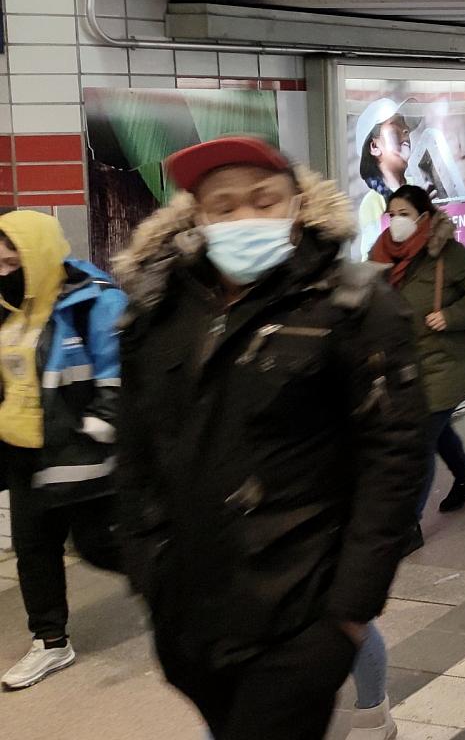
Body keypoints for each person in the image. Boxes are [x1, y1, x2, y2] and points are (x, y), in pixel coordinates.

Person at [113, 136, 429, 740]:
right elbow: (136, 452)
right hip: (190, 615)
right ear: (198, 217)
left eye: (264, 201)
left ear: (297, 206)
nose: (244, 218)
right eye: (223, 206)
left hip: (301, 614)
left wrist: (349, 612)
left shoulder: (352, 305)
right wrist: (148, 572)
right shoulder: (160, 312)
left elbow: (393, 458)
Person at [0, 212, 125, 691]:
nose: (3, 266)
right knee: (34, 549)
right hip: (23, 449)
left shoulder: (94, 300)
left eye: (12, 256)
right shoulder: (8, 307)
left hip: (81, 448)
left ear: (38, 251)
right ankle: (51, 641)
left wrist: (103, 420)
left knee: (99, 545)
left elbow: (119, 367)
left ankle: (179, 587)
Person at [370, 184, 465, 520]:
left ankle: (407, 523)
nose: (396, 221)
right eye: (392, 214)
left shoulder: (447, 255)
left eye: (404, 214)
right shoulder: (380, 254)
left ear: (423, 216)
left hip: (444, 366)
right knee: (437, 432)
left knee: (419, 443)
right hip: (404, 369)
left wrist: (452, 316)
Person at [355, 98, 414, 260]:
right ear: (374, 146)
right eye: (395, 125)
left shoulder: (419, 185)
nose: (406, 130)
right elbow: (372, 259)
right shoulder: (372, 202)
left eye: (405, 125)